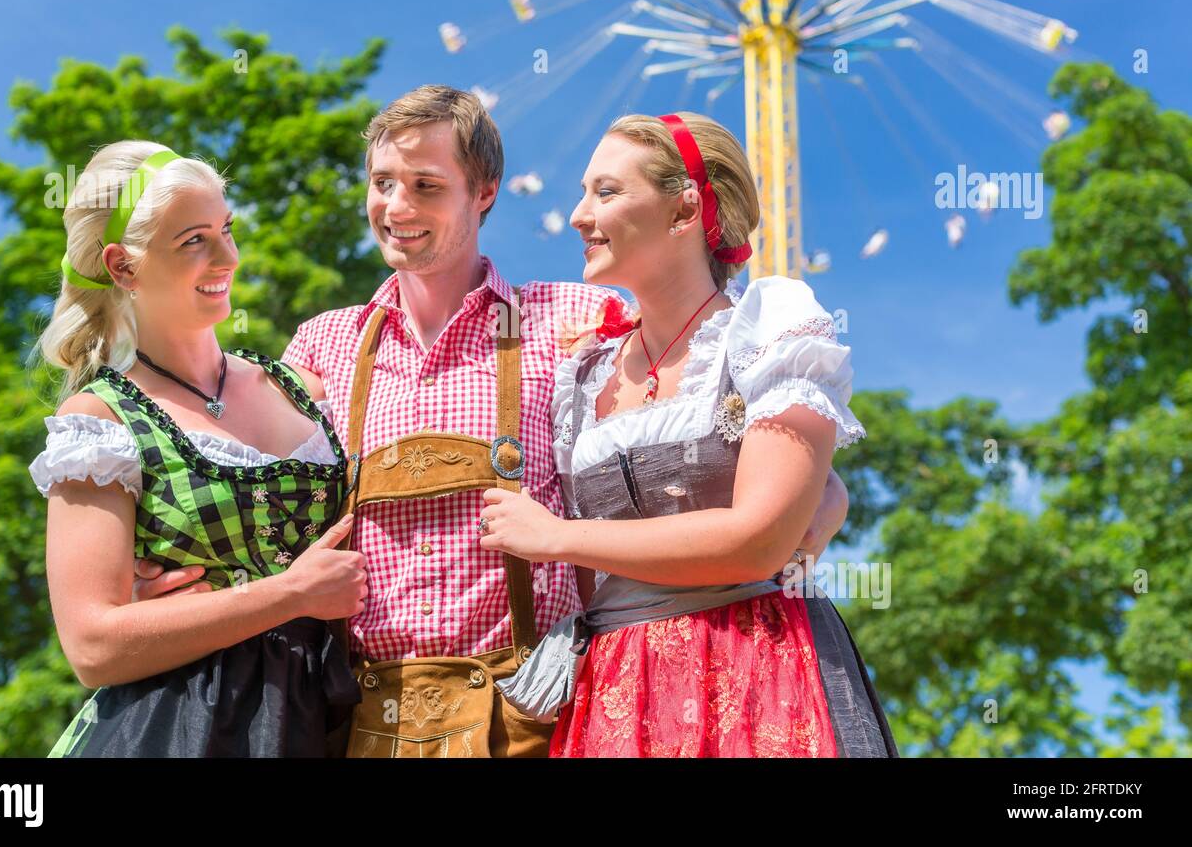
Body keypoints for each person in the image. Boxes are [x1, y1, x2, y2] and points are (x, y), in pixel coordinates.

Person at [135, 86, 850, 758]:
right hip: (360, 717)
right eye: (382, 182)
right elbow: (248, 494)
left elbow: (720, 416)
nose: (396, 205)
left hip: (532, 717)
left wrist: (810, 515)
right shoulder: (323, 345)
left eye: (426, 186)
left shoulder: (580, 319)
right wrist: (175, 579)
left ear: (484, 193)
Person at [483, 111, 899, 757]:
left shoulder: (771, 328)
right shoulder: (583, 375)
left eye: (606, 191)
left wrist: (558, 537)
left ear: (683, 212)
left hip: (759, 670)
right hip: (618, 687)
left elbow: (759, 540)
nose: (576, 216)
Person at [28, 141, 366, 757]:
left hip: (331, 719)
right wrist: (289, 593)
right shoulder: (101, 421)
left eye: (227, 229)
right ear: (122, 267)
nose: (227, 256)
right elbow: (93, 646)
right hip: (182, 731)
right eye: (195, 241)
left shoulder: (304, 389)